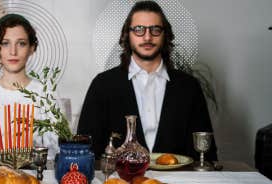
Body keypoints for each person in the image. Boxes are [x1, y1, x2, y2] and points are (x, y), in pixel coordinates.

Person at [77, 1, 217, 161]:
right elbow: (84, 150)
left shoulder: (189, 87)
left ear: (165, 35)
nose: (147, 36)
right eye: (139, 29)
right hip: (121, 182)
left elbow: (207, 154)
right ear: (127, 35)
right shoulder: (102, 85)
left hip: (179, 182)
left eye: (155, 30)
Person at [0, 14, 59, 159]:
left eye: (21, 43)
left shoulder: (45, 95)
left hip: (33, 177)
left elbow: (53, 152)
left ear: (32, 48)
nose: (13, 52)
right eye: (5, 43)